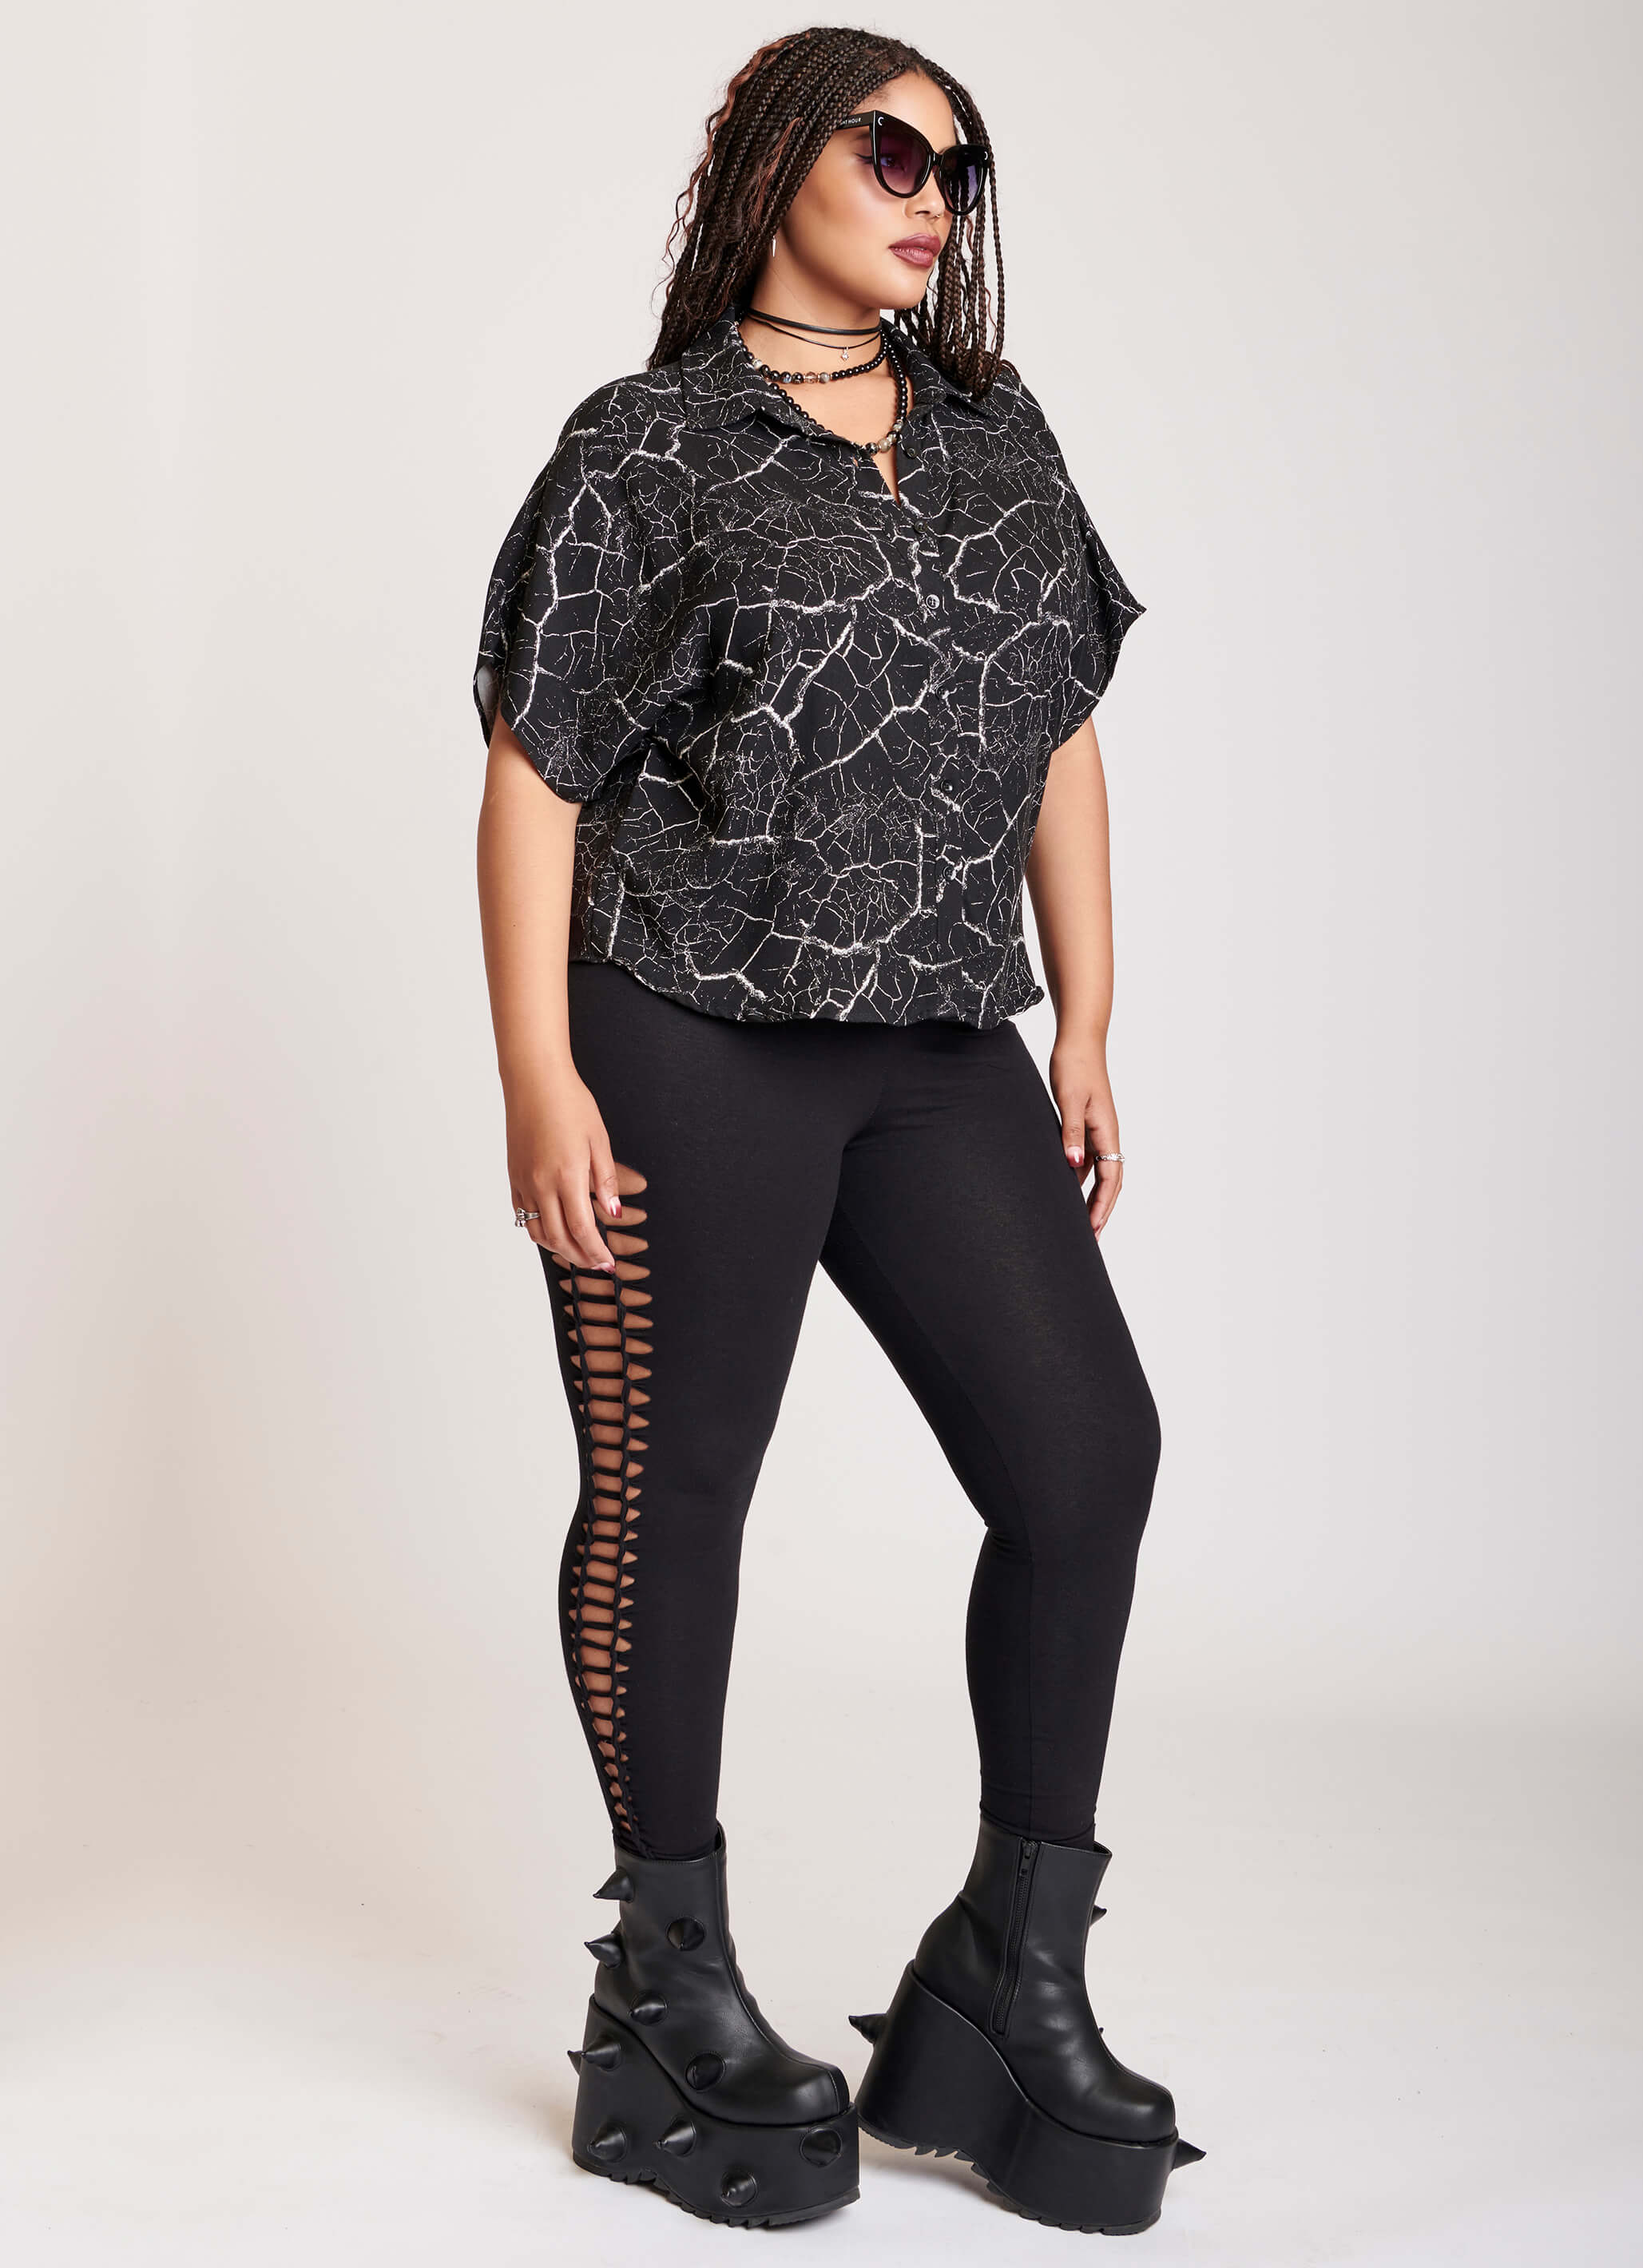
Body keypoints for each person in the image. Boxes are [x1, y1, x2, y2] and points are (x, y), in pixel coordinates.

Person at [473, 23, 1201, 2235]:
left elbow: (1057, 731)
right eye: (890, 151)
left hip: (929, 1032)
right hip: (682, 1021)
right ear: (771, 155)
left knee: (1083, 1461)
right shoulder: (647, 445)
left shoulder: (994, 434)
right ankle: (665, 1979)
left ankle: (1009, 1976)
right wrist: (536, 1069)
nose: (929, 199)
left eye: (956, 170)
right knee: (675, 1485)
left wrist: (1087, 1016)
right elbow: (535, 764)